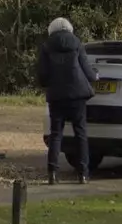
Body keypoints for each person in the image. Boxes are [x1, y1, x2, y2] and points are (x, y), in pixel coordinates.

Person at [38, 16, 97, 184]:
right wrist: (95, 76)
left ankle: (52, 174)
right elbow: (88, 71)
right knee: (81, 133)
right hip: (78, 95)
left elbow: (42, 76)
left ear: (51, 30)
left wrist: (49, 83)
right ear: (69, 29)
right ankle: (83, 174)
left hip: (56, 96)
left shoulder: (46, 46)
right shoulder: (77, 43)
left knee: (56, 134)